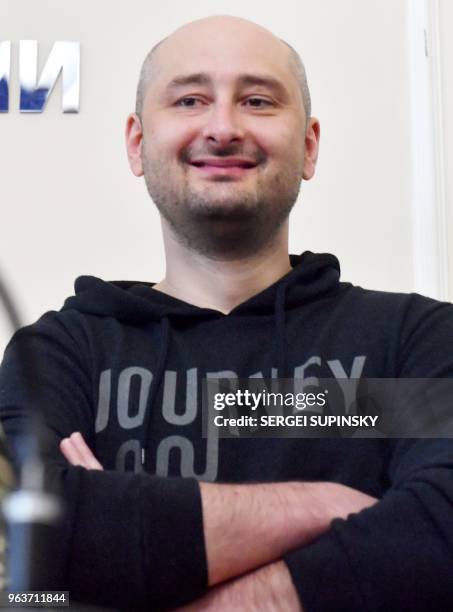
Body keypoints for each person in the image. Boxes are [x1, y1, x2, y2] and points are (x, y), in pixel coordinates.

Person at [1, 14, 453, 612]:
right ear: (137, 143)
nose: (222, 127)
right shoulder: (61, 354)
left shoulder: (409, 343)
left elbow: (439, 531)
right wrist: (321, 507)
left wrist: (119, 530)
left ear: (309, 145)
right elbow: (29, 562)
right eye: (190, 99)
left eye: (258, 101)